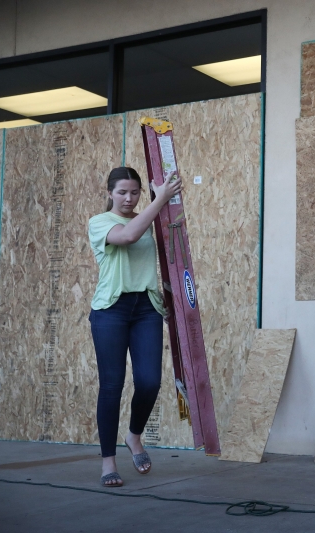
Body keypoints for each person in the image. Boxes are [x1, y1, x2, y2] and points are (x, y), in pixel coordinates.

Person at [88, 167, 181, 487]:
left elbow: (165, 256)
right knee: (112, 387)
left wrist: (169, 295)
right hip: (110, 310)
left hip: (146, 309)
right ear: (110, 193)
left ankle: (133, 436)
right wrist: (161, 200)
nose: (128, 199)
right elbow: (127, 237)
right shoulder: (100, 222)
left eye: (135, 192)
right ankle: (108, 463)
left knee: (150, 382)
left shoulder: (148, 216)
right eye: (122, 192)